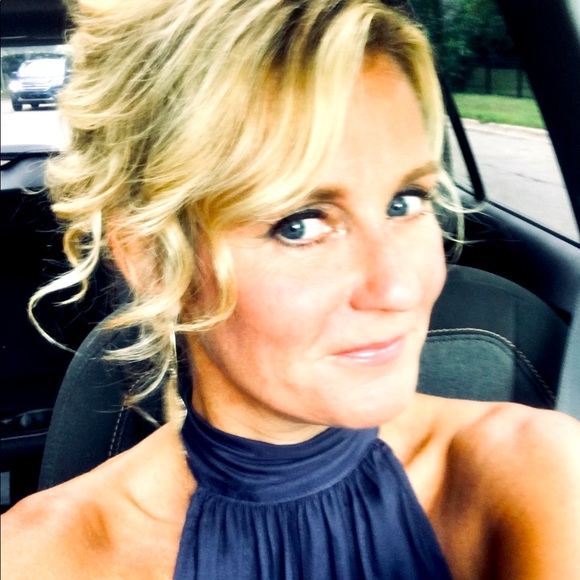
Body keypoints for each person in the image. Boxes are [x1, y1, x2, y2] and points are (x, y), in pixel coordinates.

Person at [2, 0, 579, 578]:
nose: (400, 288)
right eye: (299, 225)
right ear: (151, 259)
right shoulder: (42, 558)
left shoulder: (537, 470)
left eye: (405, 202)